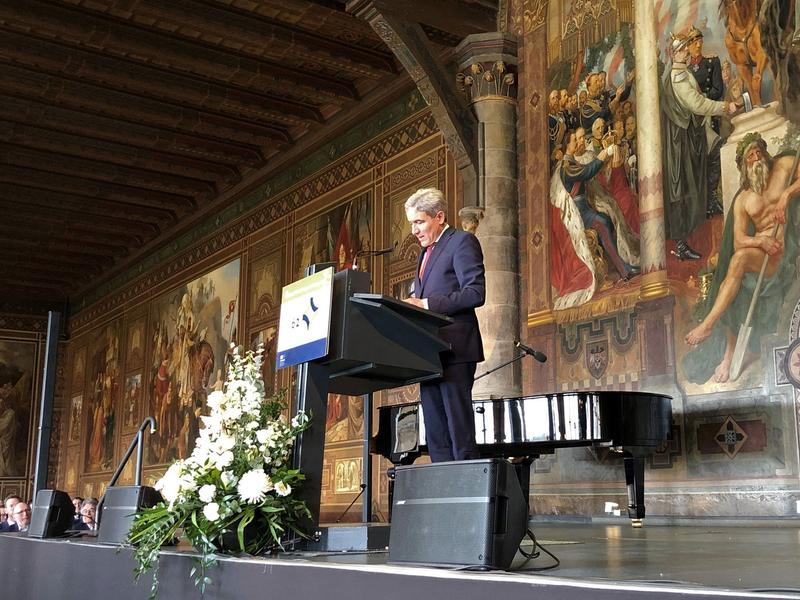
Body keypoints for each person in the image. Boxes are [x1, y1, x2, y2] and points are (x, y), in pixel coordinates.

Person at [684, 134, 800, 383]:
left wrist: (786, 195)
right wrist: (760, 240)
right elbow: (738, 240)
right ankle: (715, 335)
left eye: (758, 152)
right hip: (762, 255)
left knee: (736, 272)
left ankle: (712, 329)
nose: (756, 157)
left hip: (784, 253)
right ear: (743, 166)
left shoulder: (785, 166)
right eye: (750, 156)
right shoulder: (743, 199)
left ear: (765, 154)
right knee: (736, 266)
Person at [402, 188, 485, 461]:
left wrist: (424, 304)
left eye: (419, 222)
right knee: (436, 432)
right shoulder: (423, 255)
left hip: (455, 351)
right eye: (412, 223)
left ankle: (467, 497)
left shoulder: (462, 242)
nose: (414, 230)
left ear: (439, 216)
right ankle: (445, 496)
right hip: (429, 353)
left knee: (459, 430)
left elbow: (475, 293)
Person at [661, 33, 738, 261]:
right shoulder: (677, 77)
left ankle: (711, 202)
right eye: (684, 49)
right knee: (682, 185)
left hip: (693, 132)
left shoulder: (681, 73)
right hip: (683, 140)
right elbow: (697, 103)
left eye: (687, 47)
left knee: (716, 150)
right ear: (675, 54)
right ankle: (682, 244)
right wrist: (725, 106)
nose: (688, 51)